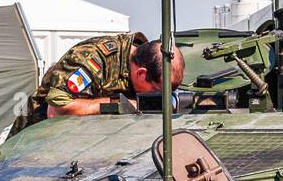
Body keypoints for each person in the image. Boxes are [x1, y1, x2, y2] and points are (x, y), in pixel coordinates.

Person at [22, 31, 185, 127]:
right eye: (156, 91)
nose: (159, 98)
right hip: (33, 145)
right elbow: (56, 111)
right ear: (141, 74)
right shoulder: (93, 60)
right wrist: (115, 105)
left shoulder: (142, 59)